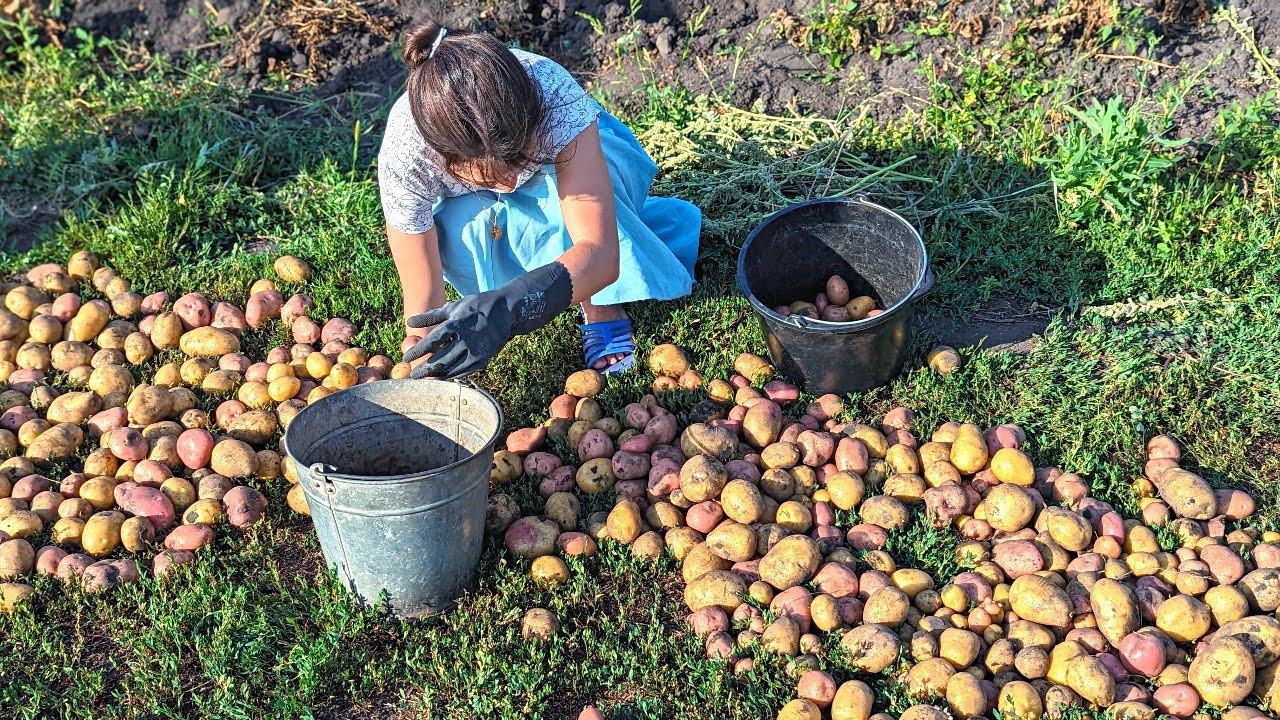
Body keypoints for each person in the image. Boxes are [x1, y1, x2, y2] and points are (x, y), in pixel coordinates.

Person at [378, 20, 700, 378]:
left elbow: (598, 249)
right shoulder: (407, 154)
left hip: (571, 173)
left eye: (517, 157)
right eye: (488, 173)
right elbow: (423, 299)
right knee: (458, 230)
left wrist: (510, 309)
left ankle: (601, 305)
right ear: (445, 157)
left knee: (590, 197)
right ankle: (536, 271)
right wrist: (427, 359)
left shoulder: (551, 91)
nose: (510, 179)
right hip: (472, 208)